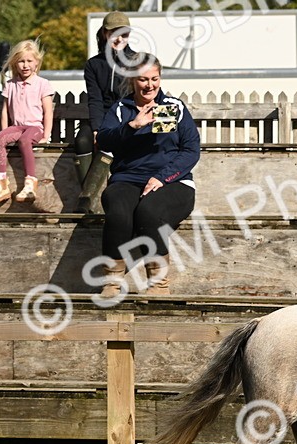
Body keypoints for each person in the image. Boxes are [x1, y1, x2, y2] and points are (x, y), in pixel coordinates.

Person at [95, 56, 200, 297]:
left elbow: (191, 150)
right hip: (127, 179)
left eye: (155, 78)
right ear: (132, 80)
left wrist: (162, 178)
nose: (150, 85)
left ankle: (158, 283)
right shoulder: (121, 109)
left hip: (173, 181)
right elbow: (103, 140)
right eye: (143, 79)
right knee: (119, 212)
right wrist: (131, 126)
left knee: (149, 212)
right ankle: (112, 282)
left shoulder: (174, 107)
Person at [74, 11, 139, 214]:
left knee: (111, 141)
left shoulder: (136, 61)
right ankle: (88, 200)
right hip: (101, 116)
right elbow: (95, 99)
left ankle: (94, 202)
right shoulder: (93, 65)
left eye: (124, 34)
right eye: (114, 33)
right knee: (82, 141)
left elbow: (134, 98)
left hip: (125, 116)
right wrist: (96, 129)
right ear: (104, 33)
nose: (119, 39)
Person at [0, 41, 54, 206]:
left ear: (36, 62)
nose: (25, 65)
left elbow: (48, 111)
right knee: (0, 139)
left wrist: (46, 135)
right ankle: (1, 182)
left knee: (24, 141)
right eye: (21, 61)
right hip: (17, 127)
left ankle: (30, 182)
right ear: (15, 63)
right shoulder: (10, 85)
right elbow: (5, 111)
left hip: (35, 128)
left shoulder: (42, 84)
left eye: (29, 61)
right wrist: (5, 131)